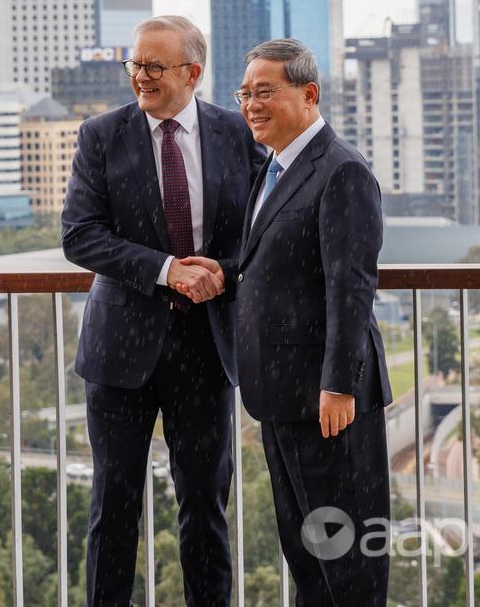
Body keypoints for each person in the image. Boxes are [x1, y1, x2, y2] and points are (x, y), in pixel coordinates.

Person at [61, 15, 267, 606]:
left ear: (192, 73)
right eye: (134, 64)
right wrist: (165, 269)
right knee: (113, 508)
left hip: (206, 347)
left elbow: (260, 232)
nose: (140, 77)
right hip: (119, 351)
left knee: (206, 508)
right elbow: (80, 235)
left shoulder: (236, 134)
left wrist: (222, 271)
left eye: (154, 66)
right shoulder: (100, 135)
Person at [181, 38, 392, 605]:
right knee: (307, 558)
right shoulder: (274, 167)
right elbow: (279, 264)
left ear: (309, 93)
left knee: (346, 562)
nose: (251, 103)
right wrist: (225, 271)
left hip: (326, 403)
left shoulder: (342, 172)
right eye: (245, 93)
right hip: (281, 397)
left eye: (265, 91)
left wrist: (338, 385)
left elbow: (351, 287)